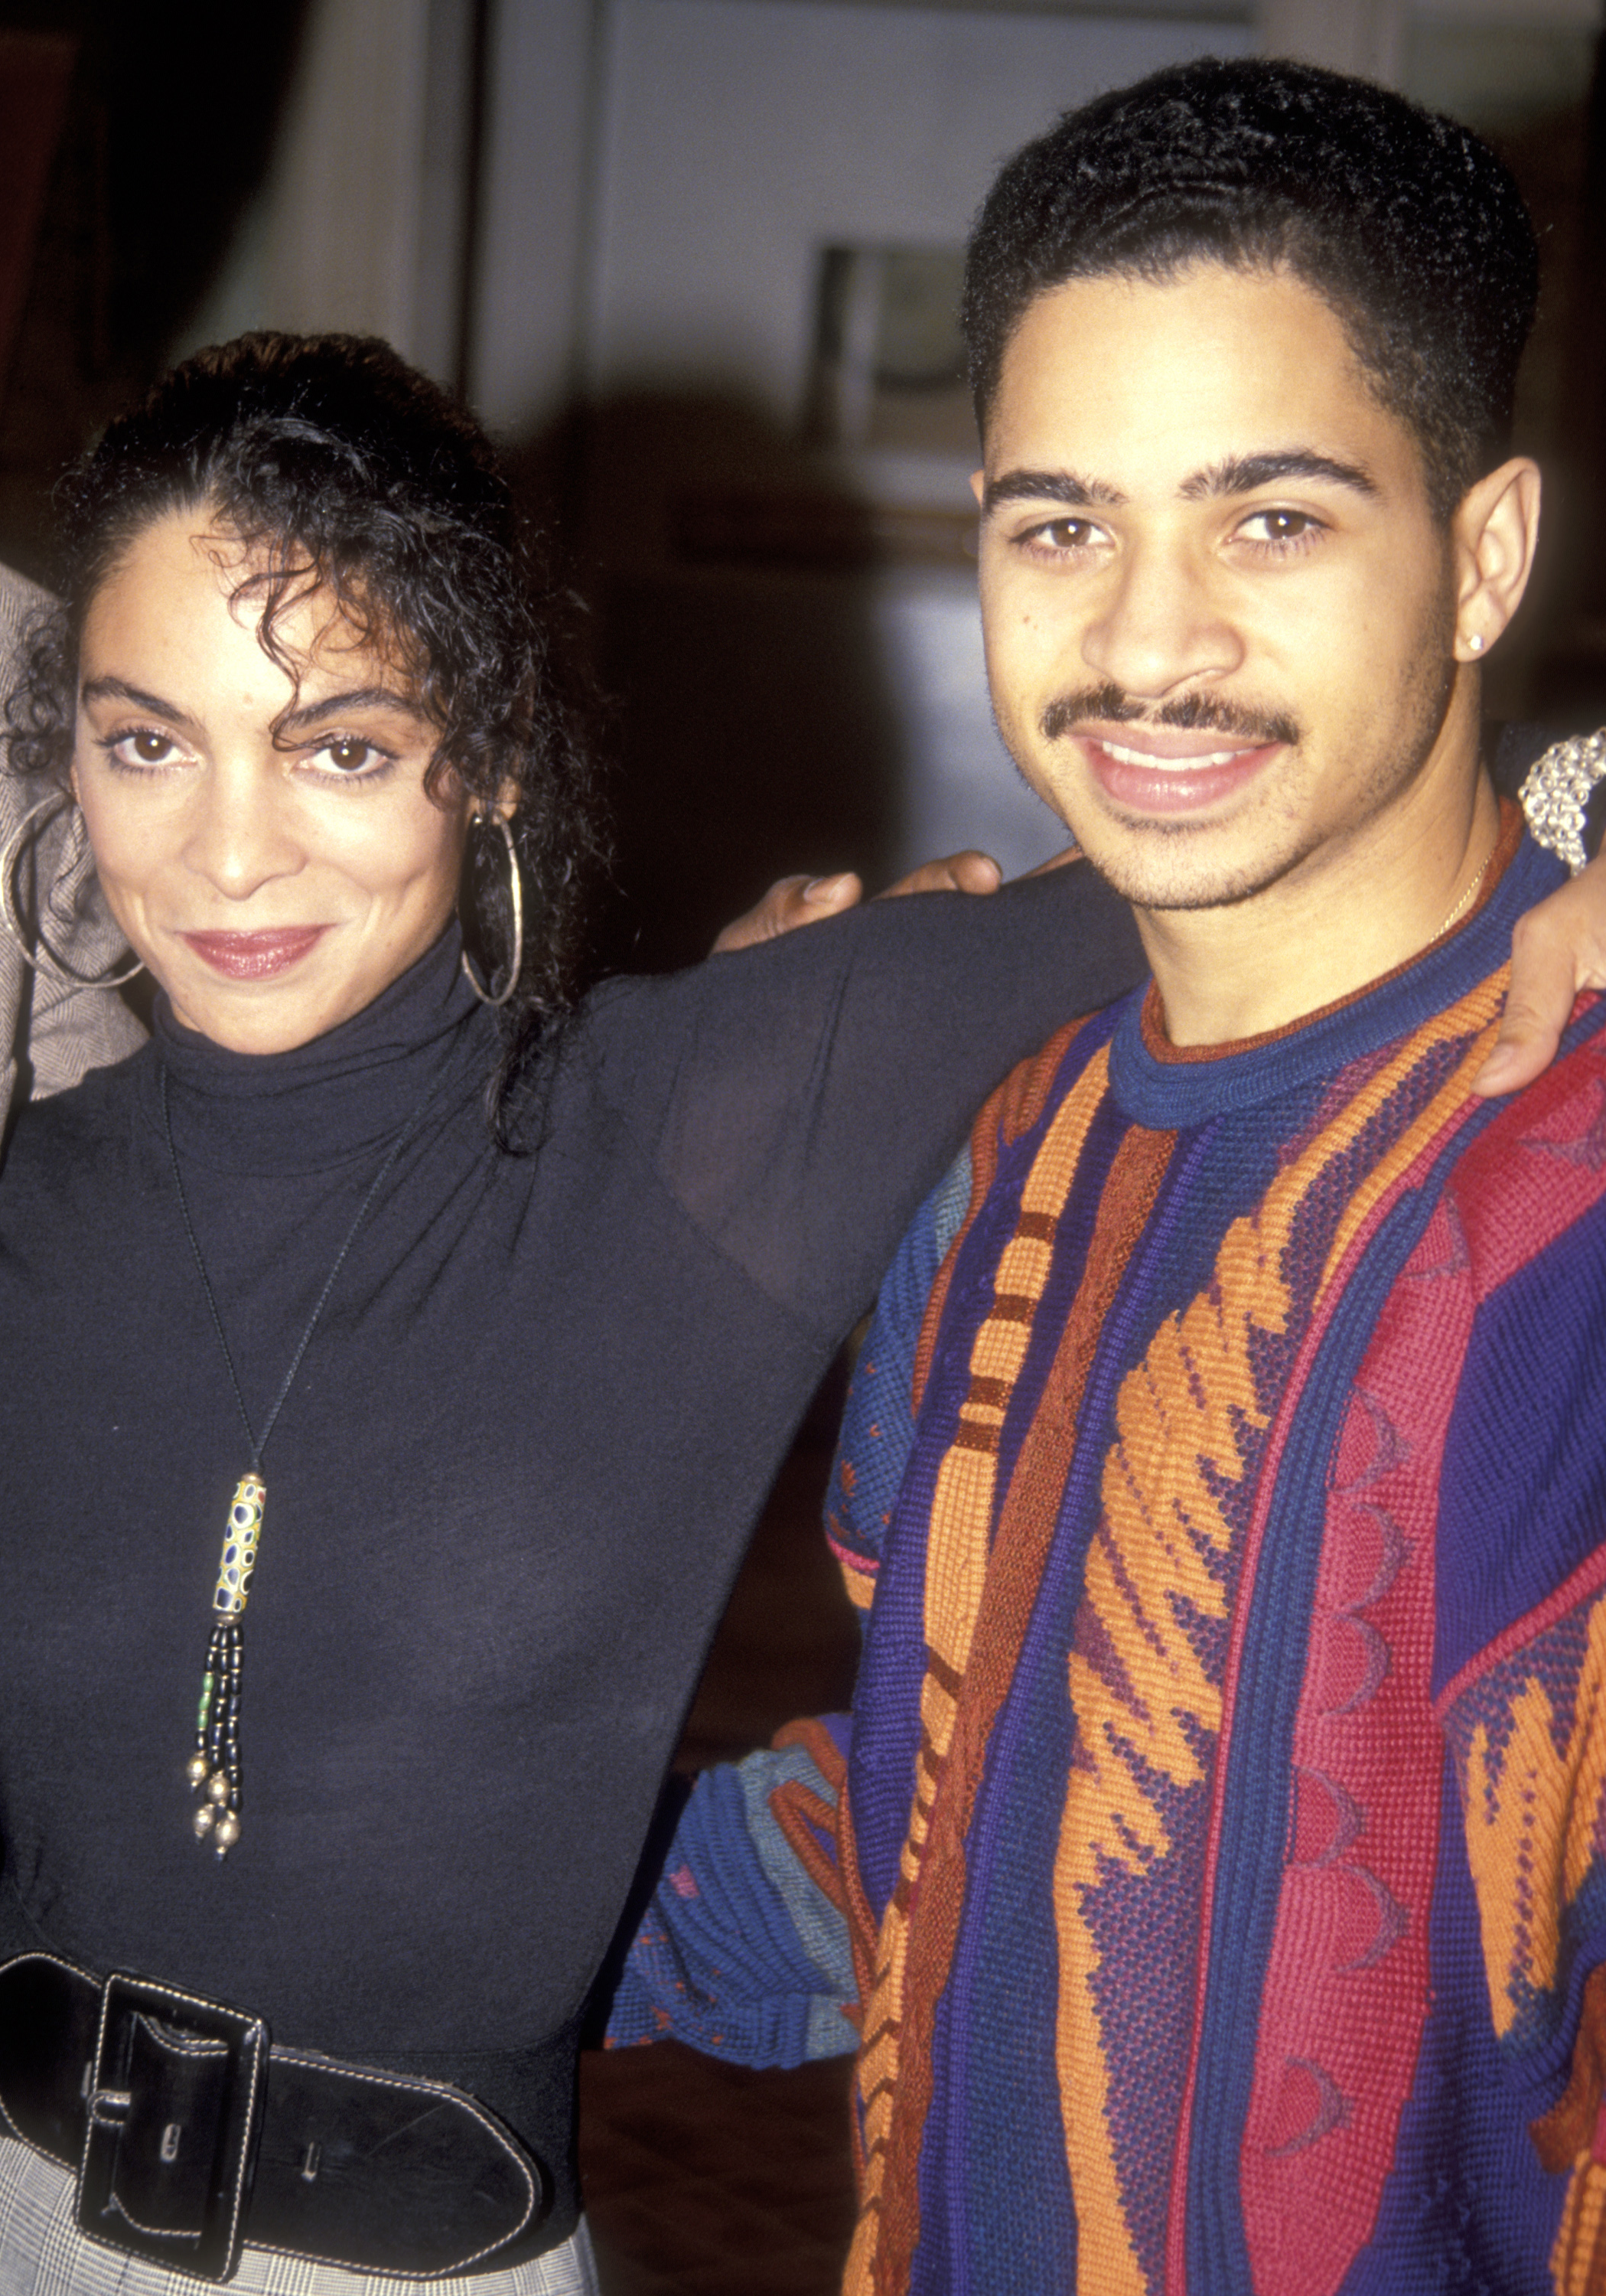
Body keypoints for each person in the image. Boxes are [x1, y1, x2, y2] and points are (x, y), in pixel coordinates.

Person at [605, 57, 1606, 2296]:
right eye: (1058, 522)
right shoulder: (997, 1139)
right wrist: (412, 1906)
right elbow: (929, 1797)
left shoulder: (1557, 1210)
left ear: (1476, 554)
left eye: (1267, 517)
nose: (1142, 642)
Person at [0, 552, 143, 1198]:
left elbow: (65, 1021)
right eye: (152, 746)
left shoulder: (10, 663)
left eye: (346, 753)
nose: (236, 868)